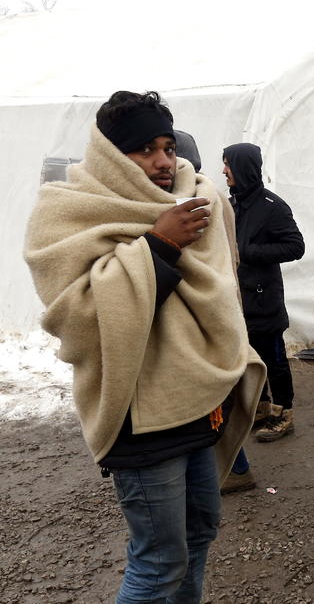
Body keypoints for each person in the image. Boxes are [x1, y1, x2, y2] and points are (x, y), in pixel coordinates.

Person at [23, 90, 265, 602]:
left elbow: (221, 288)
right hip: (141, 416)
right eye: (145, 150)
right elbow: (77, 318)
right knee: (158, 563)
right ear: (114, 155)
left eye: (167, 146)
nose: (163, 162)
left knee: (200, 536)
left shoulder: (194, 197)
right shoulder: (68, 210)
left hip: (197, 402)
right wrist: (160, 244)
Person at [175, 129, 257, 495]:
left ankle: (235, 468)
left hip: (210, 309)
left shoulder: (195, 199)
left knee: (211, 395)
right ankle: (232, 466)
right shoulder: (214, 195)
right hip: (225, 302)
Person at [223, 143, 305, 442]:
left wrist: (248, 251)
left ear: (242, 167)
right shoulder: (233, 204)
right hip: (240, 298)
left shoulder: (273, 206)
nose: (223, 171)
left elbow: (296, 246)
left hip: (264, 297)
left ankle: (284, 413)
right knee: (250, 356)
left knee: (274, 358)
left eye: (228, 164)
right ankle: (262, 407)